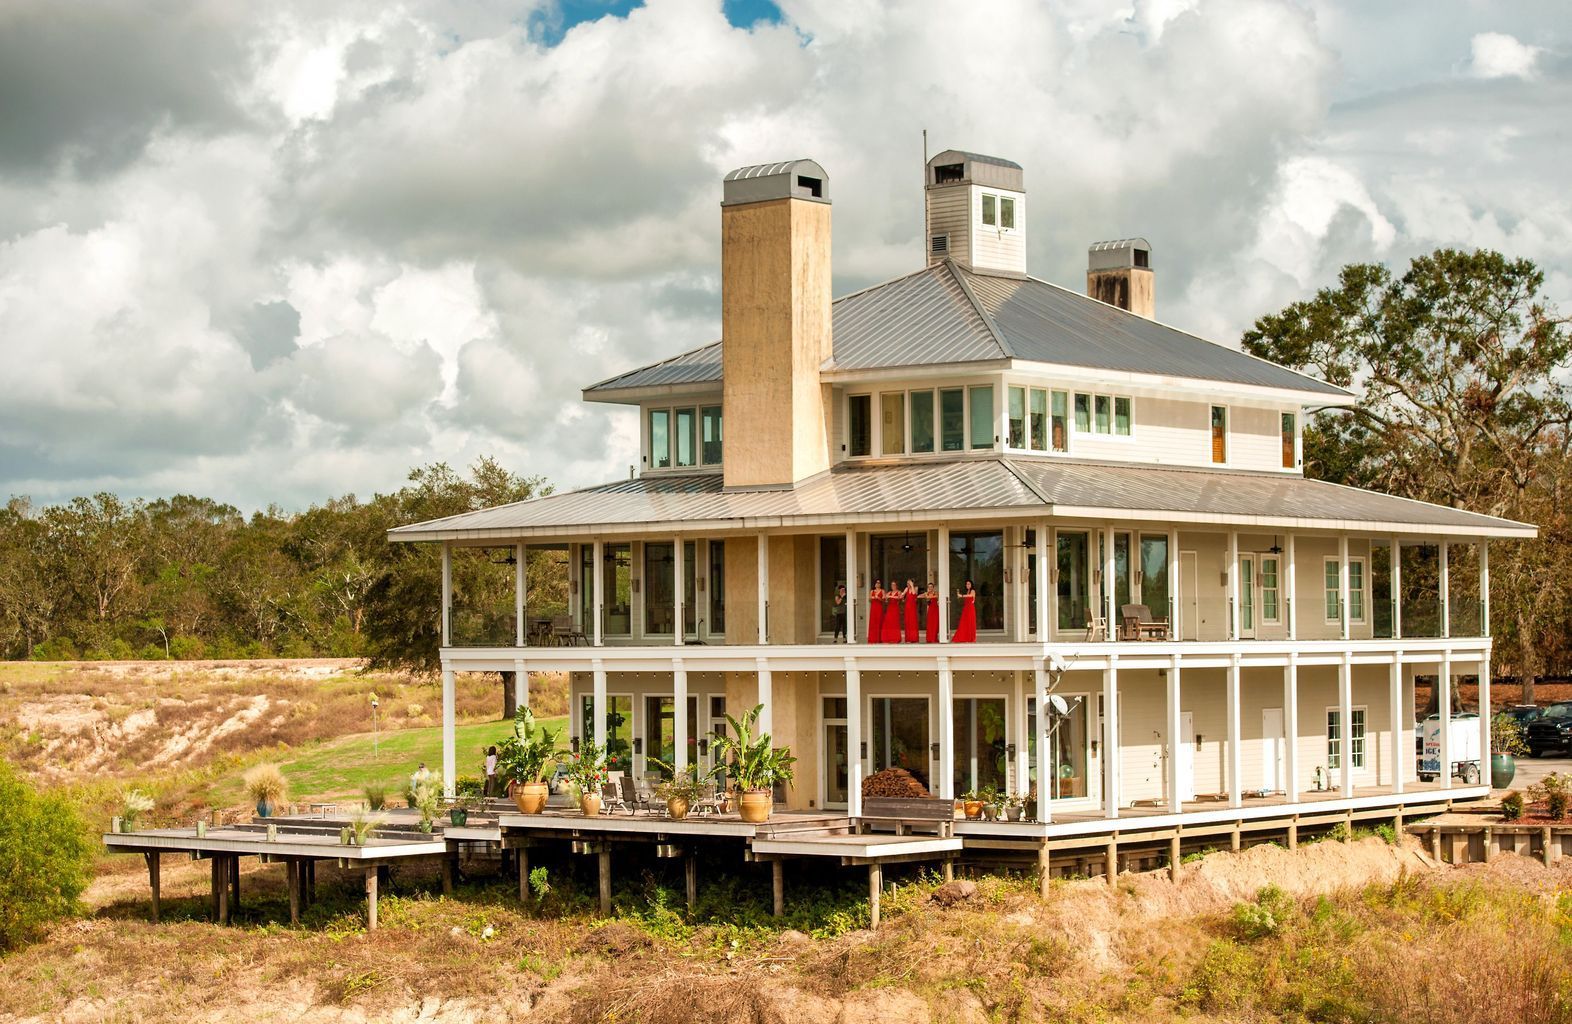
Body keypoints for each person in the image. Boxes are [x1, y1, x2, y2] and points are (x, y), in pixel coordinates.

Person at [902, 578, 919, 643]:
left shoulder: (915, 588)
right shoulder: (906, 589)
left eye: (909, 583)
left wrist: (912, 585)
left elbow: (914, 594)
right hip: (907, 607)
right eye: (907, 583)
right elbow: (902, 595)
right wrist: (902, 594)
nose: (908, 584)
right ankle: (908, 638)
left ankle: (913, 638)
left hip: (913, 608)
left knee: (913, 622)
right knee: (908, 622)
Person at [868, 579, 885, 643]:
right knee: (873, 622)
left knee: (879, 621)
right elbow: (869, 599)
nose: (878, 584)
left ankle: (879, 638)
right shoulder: (872, 591)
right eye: (877, 583)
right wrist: (872, 598)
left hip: (879, 608)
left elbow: (883, 600)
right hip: (873, 608)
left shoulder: (882, 591)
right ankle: (873, 638)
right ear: (874, 584)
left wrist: (878, 598)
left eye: (879, 583)